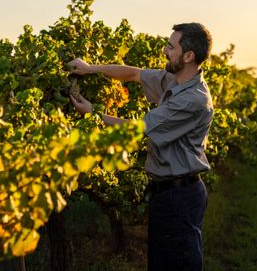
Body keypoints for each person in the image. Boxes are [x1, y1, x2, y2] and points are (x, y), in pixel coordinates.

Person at [68, 22, 213, 271]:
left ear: (188, 56)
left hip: (179, 196)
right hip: (168, 192)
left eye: (170, 47)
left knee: (178, 263)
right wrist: (90, 69)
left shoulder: (193, 99)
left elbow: (139, 129)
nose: (164, 51)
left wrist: (93, 113)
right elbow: (133, 74)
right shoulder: (175, 80)